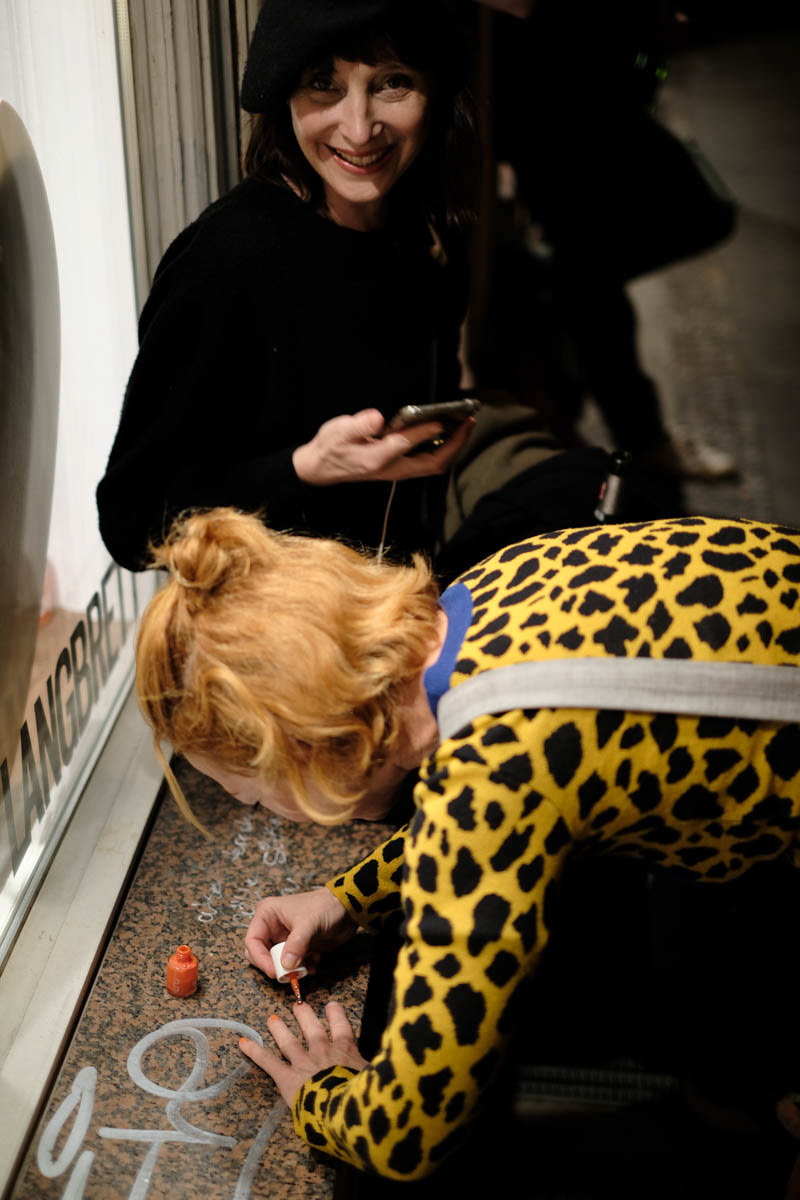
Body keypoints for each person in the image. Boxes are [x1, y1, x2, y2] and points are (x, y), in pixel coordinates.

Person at [136, 505, 800, 1180]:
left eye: (250, 792)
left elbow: (408, 1133)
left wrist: (323, 1092)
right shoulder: (489, 588)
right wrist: (351, 896)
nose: (264, 807)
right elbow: (504, 801)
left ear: (305, 750)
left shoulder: (491, 773)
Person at [96, 0, 481, 572]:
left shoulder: (423, 236)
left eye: (393, 83)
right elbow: (132, 523)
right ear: (283, 93)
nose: (358, 128)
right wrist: (304, 467)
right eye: (322, 84)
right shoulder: (226, 259)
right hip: (279, 647)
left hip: (396, 616)